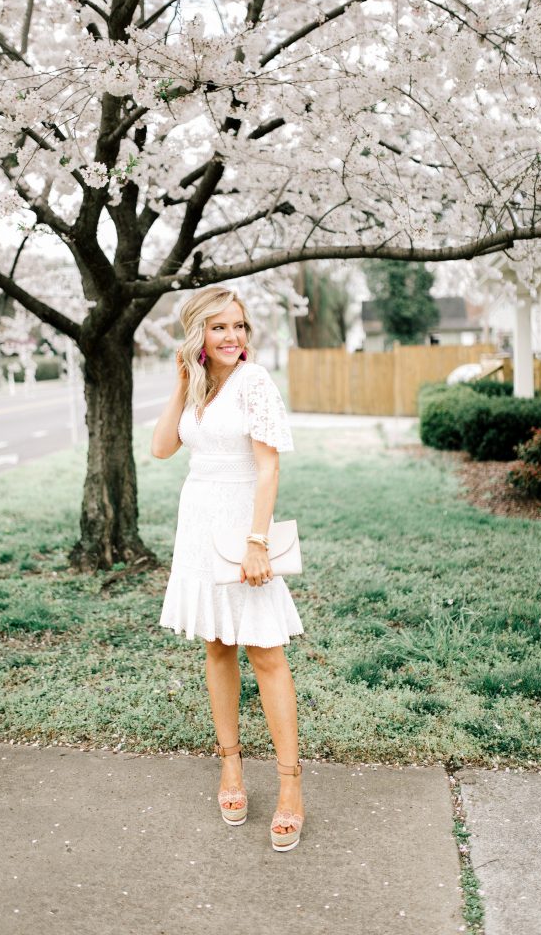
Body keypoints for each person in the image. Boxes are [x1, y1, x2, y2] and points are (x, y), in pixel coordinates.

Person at [151, 286, 306, 852]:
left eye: (239, 326)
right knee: (217, 646)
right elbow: (162, 448)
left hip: (244, 525)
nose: (233, 337)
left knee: (266, 652)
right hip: (198, 526)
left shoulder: (254, 381)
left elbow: (268, 469)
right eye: (219, 327)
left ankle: (290, 786)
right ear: (198, 334)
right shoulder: (198, 384)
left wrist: (257, 542)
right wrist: (180, 381)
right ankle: (231, 768)